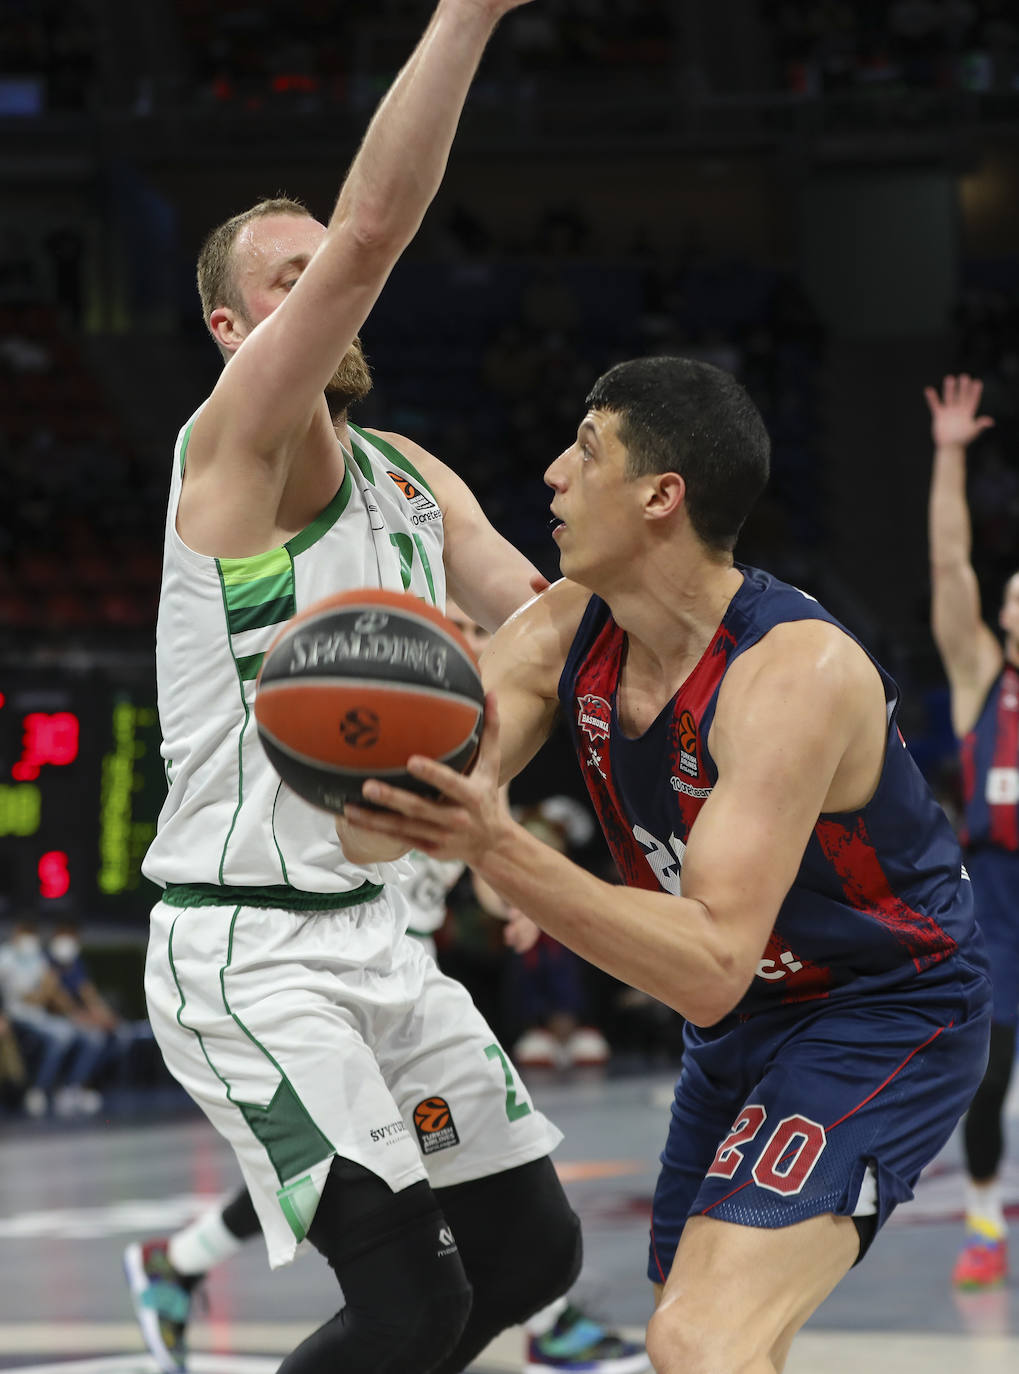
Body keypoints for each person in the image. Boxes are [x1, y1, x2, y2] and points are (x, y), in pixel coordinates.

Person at [342, 354, 993, 1374]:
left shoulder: (794, 673)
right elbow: (392, 817)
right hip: (737, 1026)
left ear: (660, 496)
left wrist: (495, 848)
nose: (552, 474)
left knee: (694, 1340)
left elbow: (705, 962)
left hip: (880, 1010)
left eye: (584, 450)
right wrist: (344, 748)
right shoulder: (562, 627)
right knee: (710, 1339)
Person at [140, 5, 583, 1374]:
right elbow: (376, 233)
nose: (328, 280)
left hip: (379, 933)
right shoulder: (229, 450)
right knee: (405, 1306)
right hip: (247, 946)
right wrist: (462, 18)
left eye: (321, 263)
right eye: (291, 275)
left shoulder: (408, 474)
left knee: (529, 1256)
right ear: (230, 328)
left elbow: (543, 624)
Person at [127, 600, 644, 1374]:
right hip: (312, 945)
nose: (475, 645)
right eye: (464, 632)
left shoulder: (474, 736)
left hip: (397, 964)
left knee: (510, 1234)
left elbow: (490, 851)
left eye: (478, 635)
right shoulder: (378, 711)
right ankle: (554, 1326)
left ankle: (184, 1260)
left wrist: (520, 897)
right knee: (402, 1256)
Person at [922, 372, 1019, 1289]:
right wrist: (950, 452)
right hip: (996, 916)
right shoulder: (982, 680)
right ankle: (985, 1223)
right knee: (986, 1083)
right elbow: (950, 567)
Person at [0, 916, 104, 1116]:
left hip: (39, 1015)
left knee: (93, 1038)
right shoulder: (5, 956)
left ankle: (71, 1088)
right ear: (16, 935)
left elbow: (48, 994)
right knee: (62, 1036)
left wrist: (77, 1012)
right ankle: (38, 1090)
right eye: (24, 934)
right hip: (15, 1015)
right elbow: (25, 996)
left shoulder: (38, 959)